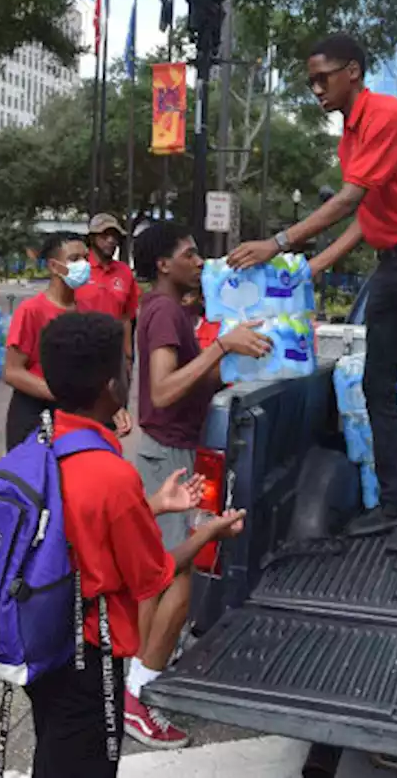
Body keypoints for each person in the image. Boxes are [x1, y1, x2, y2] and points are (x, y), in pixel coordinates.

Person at [229, 33, 397, 554]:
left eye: (323, 76)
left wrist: (279, 243)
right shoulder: (351, 135)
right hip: (394, 262)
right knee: (378, 383)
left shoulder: (385, 117)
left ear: (352, 71)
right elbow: (367, 214)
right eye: (310, 80)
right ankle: (393, 502)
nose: (316, 88)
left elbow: (349, 199)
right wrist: (311, 266)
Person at [29, 310, 246, 772]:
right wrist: (210, 530)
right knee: (89, 759)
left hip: (41, 635)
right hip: (88, 650)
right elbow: (157, 574)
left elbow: (79, 526)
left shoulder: (40, 444)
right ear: (112, 384)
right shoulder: (111, 473)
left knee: (53, 745)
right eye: (127, 365)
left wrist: (152, 505)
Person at [133, 222, 270, 551]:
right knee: (173, 561)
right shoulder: (165, 311)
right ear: (163, 265)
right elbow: (163, 390)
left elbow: (191, 377)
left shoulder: (172, 309)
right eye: (189, 255)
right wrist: (221, 347)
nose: (200, 262)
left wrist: (240, 362)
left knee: (184, 557)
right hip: (167, 452)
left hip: (177, 446)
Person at [3, 232, 133, 451]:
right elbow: (12, 372)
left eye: (85, 258)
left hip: (74, 416)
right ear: (54, 266)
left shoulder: (85, 311)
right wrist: (62, 392)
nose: (83, 265)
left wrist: (111, 405)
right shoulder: (31, 311)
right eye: (74, 259)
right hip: (35, 413)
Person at [76, 213, 142, 367]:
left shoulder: (125, 272)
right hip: (80, 352)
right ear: (92, 238)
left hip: (113, 355)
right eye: (105, 235)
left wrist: (128, 357)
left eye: (115, 236)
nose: (111, 240)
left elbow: (127, 318)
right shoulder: (77, 269)